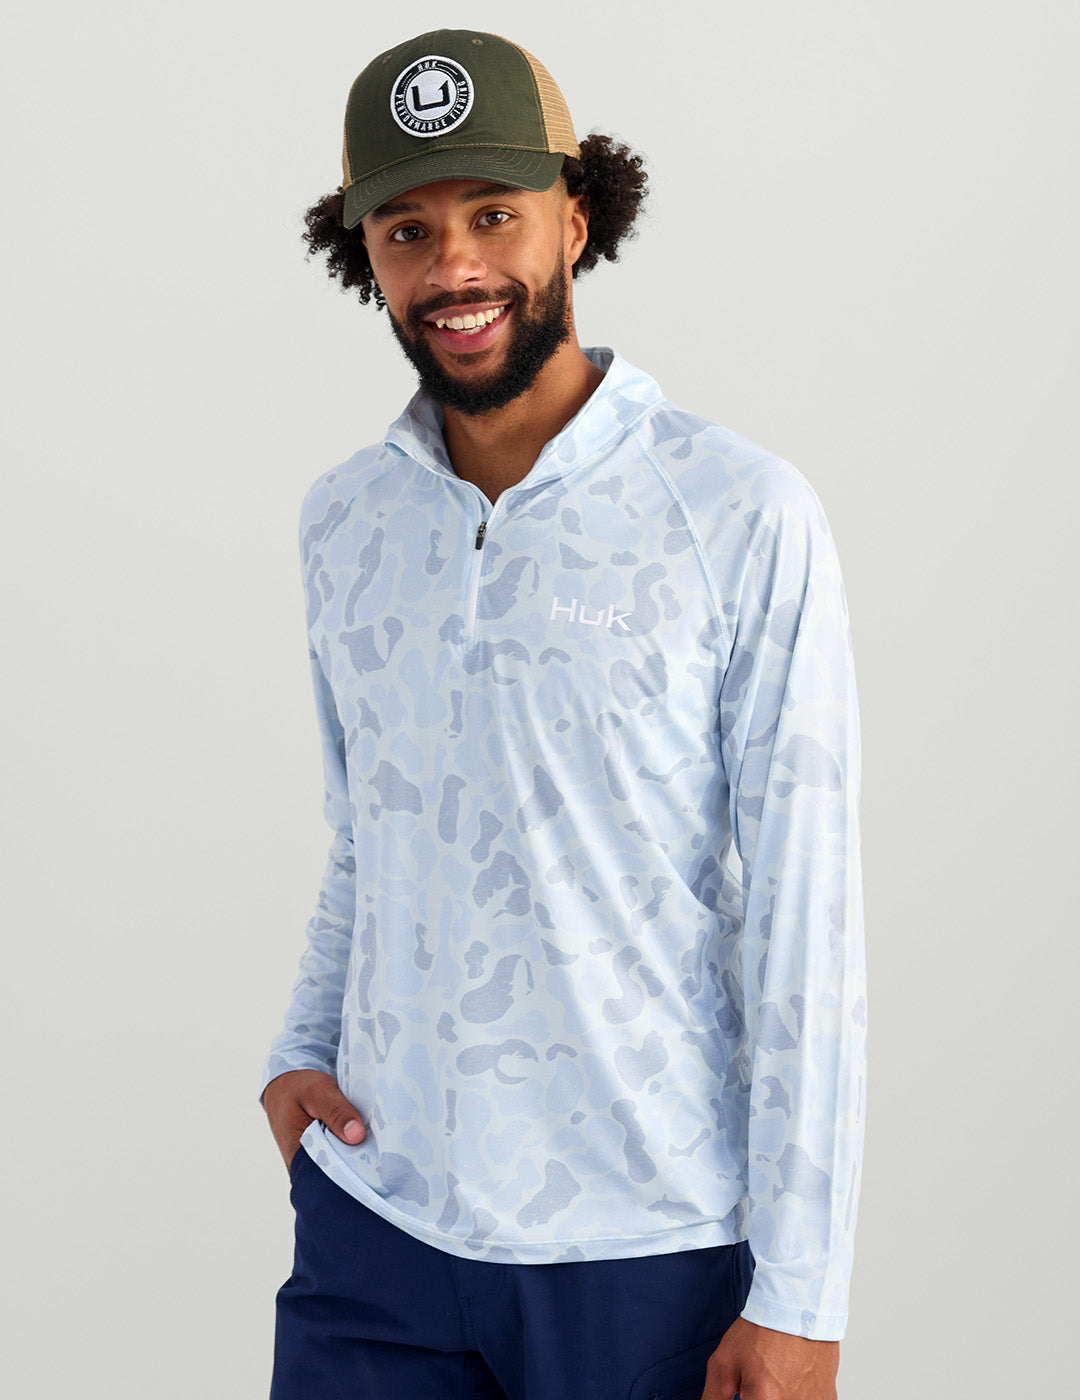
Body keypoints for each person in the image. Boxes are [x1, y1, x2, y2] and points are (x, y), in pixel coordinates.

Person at [261, 28, 866, 1400]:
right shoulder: (346, 519)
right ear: (367, 258)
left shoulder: (737, 513)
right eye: (408, 231)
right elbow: (366, 829)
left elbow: (807, 919)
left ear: (576, 219)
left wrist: (804, 1295)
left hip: (643, 1248)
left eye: (494, 215)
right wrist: (301, 1047)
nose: (453, 269)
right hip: (377, 1229)